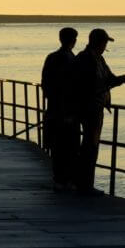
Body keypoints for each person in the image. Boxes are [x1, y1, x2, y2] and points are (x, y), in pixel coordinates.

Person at [70, 28, 125, 195]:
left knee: (91, 146)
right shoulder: (85, 59)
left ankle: (84, 183)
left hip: (95, 108)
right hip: (89, 108)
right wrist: (114, 82)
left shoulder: (98, 59)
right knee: (90, 146)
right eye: (105, 42)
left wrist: (121, 79)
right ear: (99, 42)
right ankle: (84, 185)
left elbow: (109, 79)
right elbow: (91, 84)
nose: (105, 46)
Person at [42, 27, 79, 191]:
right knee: (69, 146)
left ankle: (61, 178)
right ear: (74, 40)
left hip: (54, 109)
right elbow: (70, 87)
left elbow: (46, 85)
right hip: (66, 111)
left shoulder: (52, 57)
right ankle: (66, 179)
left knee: (58, 146)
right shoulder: (70, 59)